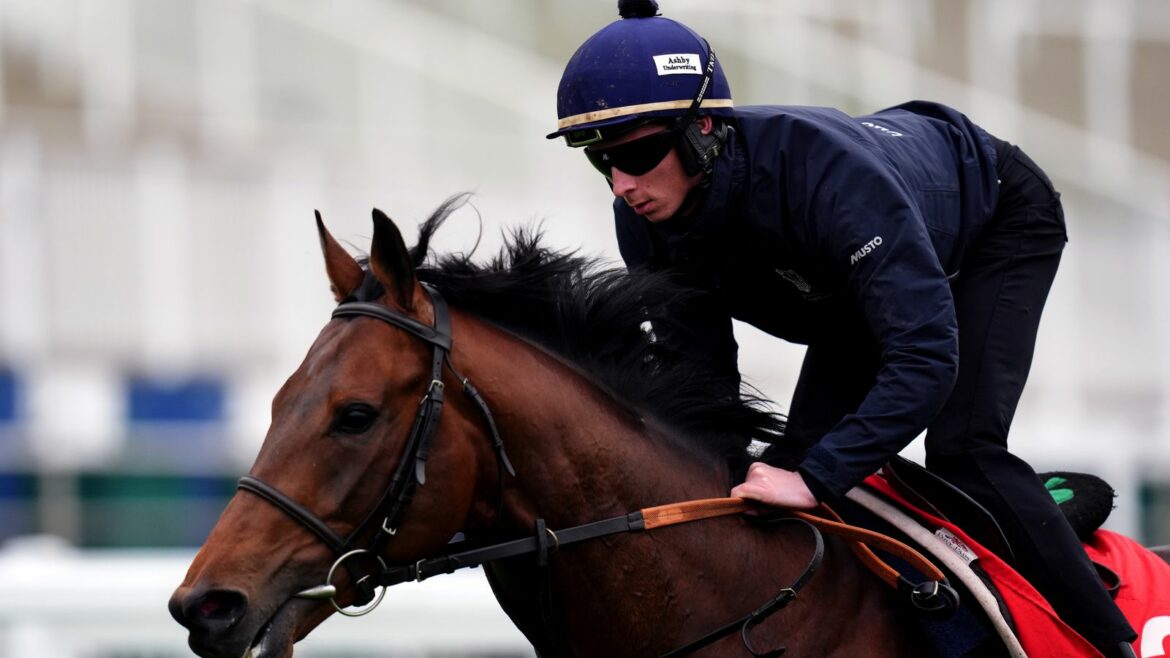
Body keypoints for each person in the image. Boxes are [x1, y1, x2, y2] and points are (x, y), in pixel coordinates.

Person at [546, 1, 1138, 656]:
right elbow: (704, 386)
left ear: (704, 128)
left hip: (995, 224)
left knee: (963, 450)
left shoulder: (829, 178)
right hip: (848, 288)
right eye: (601, 161)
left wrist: (817, 477)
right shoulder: (646, 219)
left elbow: (924, 359)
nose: (622, 186)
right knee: (781, 468)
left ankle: (1116, 644)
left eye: (640, 153)